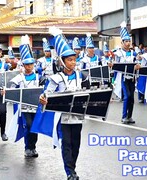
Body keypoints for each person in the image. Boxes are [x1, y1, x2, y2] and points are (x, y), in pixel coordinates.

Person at [40, 27, 90, 180]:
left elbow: (89, 93)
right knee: (66, 143)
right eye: (69, 60)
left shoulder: (82, 75)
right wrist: (43, 99)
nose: (73, 62)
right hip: (63, 117)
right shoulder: (55, 78)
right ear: (62, 61)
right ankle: (69, 172)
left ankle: (72, 168)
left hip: (77, 116)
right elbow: (46, 93)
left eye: (74, 59)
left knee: (76, 144)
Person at [9, 35, 40, 158]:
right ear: (23, 65)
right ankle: (27, 148)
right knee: (28, 125)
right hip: (24, 107)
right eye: (27, 65)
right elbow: (12, 86)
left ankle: (33, 147)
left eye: (31, 64)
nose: (29, 67)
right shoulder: (19, 77)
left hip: (36, 106)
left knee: (35, 127)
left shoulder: (38, 77)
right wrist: (8, 91)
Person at [110, 21, 139, 124]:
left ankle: (129, 116)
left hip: (132, 77)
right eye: (125, 41)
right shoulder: (117, 53)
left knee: (132, 97)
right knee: (126, 96)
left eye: (129, 41)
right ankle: (124, 116)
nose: (128, 43)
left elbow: (138, 62)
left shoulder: (133, 53)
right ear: (121, 42)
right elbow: (114, 64)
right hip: (123, 78)